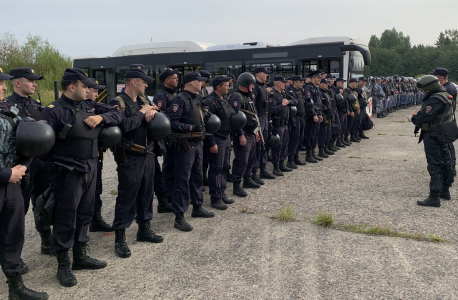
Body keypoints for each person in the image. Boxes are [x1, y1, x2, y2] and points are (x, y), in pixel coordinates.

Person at [39, 68, 121, 287]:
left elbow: (117, 114)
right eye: (85, 86)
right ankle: (63, 265)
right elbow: (42, 145)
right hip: (68, 173)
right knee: (65, 219)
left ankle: (80, 256)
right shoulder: (53, 111)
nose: (89, 90)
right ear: (72, 86)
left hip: (91, 167)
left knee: (85, 215)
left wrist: (100, 116)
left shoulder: (89, 105)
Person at [0, 69, 49, 300]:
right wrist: (6, 173)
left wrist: (23, 166)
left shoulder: (7, 111)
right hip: (5, 178)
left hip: (11, 184)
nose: (2, 87)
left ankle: (15, 287)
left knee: (13, 234)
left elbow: (30, 138)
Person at [109, 67, 163, 258]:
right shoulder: (117, 103)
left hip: (148, 154)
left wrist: (152, 111)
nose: (147, 85)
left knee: (147, 193)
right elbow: (124, 126)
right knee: (127, 197)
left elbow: (156, 113)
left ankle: (144, 229)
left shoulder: (144, 101)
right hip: (130, 155)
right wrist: (142, 113)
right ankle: (120, 238)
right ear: (133, 82)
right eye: (144, 82)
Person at [166, 71, 215, 232]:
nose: (202, 84)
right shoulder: (180, 100)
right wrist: (191, 127)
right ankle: (179, 217)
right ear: (193, 83)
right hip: (184, 146)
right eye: (200, 81)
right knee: (182, 181)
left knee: (197, 178)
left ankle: (197, 206)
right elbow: (172, 123)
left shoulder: (196, 100)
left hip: (197, 144)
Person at [409, 75, 455, 207]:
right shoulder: (444, 94)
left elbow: (425, 116)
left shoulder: (435, 98)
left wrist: (414, 118)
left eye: (424, 88)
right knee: (446, 161)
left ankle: (434, 197)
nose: (423, 91)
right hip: (443, 133)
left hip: (434, 135)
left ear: (429, 87)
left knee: (434, 165)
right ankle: (445, 191)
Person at [201, 75, 235, 210]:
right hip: (217, 139)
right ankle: (215, 197)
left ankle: (222, 192)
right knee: (216, 168)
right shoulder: (208, 102)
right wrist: (211, 142)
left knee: (225, 166)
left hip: (226, 138)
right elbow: (207, 125)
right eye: (226, 85)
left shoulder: (224, 100)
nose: (228, 87)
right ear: (218, 86)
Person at [229, 72, 261, 197]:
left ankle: (247, 179)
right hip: (243, 134)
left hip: (251, 133)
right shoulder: (236, 97)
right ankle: (237, 185)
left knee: (250, 158)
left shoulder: (248, 96)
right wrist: (240, 134)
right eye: (252, 84)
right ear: (246, 84)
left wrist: (257, 131)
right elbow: (235, 118)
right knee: (241, 160)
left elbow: (253, 114)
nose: (253, 87)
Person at [152, 68, 179, 213]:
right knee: (168, 168)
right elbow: (162, 117)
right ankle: (167, 198)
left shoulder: (174, 93)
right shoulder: (160, 96)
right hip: (168, 137)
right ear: (166, 80)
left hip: (176, 136)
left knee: (175, 167)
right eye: (174, 78)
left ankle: (172, 195)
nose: (177, 80)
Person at [432, 68, 458, 177]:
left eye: (435, 77)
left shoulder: (447, 88)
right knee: (448, 146)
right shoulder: (450, 86)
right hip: (448, 120)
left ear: (440, 78)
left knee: (447, 147)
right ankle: (451, 168)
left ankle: (450, 169)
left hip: (445, 122)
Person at [252, 67, 275, 182]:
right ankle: (254, 172)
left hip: (265, 117)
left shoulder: (264, 87)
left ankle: (263, 169)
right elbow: (253, 107)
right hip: (259, 118)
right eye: (265, 73)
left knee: (264, 145)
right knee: (258, 146)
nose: (267, 75)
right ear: (259, 74)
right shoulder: (254, 87)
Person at [270, 75, 294, 176]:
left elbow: (295, 100)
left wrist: (289, 101)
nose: (285, 84)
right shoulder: (272, 94)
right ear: (277, 83)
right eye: (283, 82)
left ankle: (282, 163)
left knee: (284, 144)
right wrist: (282, 105)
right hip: (277, 124)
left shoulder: (284, 93)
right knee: (277, 145)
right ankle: (276, 166)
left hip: (285, 123)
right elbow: (271, 110)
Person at [286, 75, 306, 168]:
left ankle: (296, 156)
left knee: (300, 138)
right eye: (300, 82)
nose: (302, 84)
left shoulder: (300, 91)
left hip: (301, 116)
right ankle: (290, 159)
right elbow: (293, 102)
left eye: (302, 82)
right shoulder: (290, 91)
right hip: (295, 117)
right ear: (294, 82)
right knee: (294, 138)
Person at [303, 71, 323, 163]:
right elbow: (309, 103)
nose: (319, 79)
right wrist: (314, 114)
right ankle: (309, 154)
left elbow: (318, 103)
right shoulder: (308, 88)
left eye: (320, 78)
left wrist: (320, 114)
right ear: (313, 78)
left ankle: (313, 153)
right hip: (311, 116)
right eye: (318, 78)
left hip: (317, 114)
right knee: (310, 135)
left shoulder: (316, 88)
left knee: (315, 134)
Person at [317, 79, 334, 158]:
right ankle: (321, 149)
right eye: (325, 83)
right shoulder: (319, 92)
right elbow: (320, 104)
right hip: (323, 114)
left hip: (328, 115)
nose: (327, 85)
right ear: (320, 84)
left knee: (328, 132)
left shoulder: (326, 92)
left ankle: (326, 147)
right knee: (323, 133)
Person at [343, 78, 359, 143]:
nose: (356, 84)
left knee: (354, 124)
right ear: (351, 83)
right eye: (355, 83)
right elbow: (348, 102)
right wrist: (351, 110)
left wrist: (358, 108)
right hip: (351, 109)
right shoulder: (346, 91)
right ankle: (346, 138)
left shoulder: (354, 90)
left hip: (355, 109)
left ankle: (353, 136)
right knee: (349, 125)